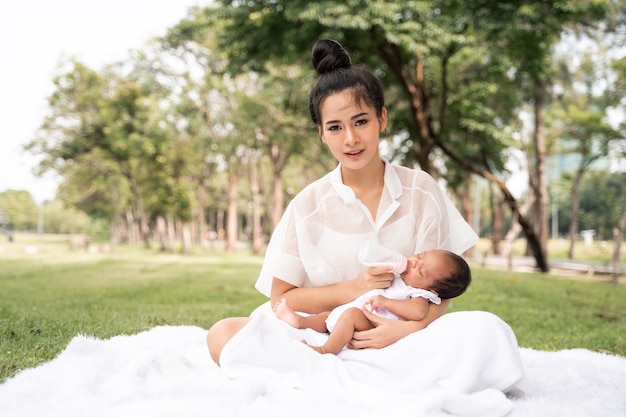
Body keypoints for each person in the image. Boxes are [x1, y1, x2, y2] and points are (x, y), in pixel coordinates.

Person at [206, 38, 479, 365]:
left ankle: (323, 375)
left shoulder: (421, 189)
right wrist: (355, 287)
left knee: (487, 332)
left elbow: (439, 289)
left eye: (361, 121)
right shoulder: (308, 205)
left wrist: (406, 331)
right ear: (321, 133)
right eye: (335, 127)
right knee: (223, 335)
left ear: (382, 119)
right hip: (323, 332)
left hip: (404, 339)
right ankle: (329, 365)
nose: (350, 139)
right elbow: (283, 298)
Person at [274, 248, 471, 355]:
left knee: (350, 315)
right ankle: (300, 321)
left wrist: (386, 302)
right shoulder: (401, 275)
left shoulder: (419, 292)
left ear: (431, 289)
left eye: (420, 271)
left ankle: (326, 349)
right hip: (352, 313)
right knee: (328, 316)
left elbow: (417, 313)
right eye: (419, 256)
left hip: (370, 325)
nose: (414, 262)